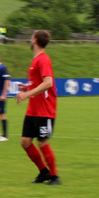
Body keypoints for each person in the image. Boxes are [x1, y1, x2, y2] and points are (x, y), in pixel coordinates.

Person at [15, 29, 59, 185]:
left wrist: (27, 94)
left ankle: (54, 177)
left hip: (44, 110)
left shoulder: (43, 59)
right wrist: (27, 87)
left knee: (43, 142)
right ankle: (43, 172)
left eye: (31, 37)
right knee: (25, 141)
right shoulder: (36, 60)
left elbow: (48, 83)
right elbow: (39, 82)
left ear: (34, 40)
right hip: (33, 109)